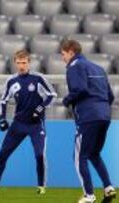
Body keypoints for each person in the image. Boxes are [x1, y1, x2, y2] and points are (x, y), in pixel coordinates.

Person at [0, 50, 57, 195]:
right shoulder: (11, 81)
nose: (22, 65)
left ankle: (41, 186)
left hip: (36, 124)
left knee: (40, 155)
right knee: (2, 154)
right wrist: (1, 118)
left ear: (29, 62)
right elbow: (3, 100)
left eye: (24, 62)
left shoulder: (38, 78)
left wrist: (40, 108)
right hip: (18, 124)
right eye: (19, 62)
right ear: (15, 63)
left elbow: (52, 95)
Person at [60, 40, 116, 203]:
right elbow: (110, 96)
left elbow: (81, 89)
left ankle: (89, 195)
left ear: (71, 52)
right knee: (94, 154)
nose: (63, 58)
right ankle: (108, 188)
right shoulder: (98, 68)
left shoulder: (74, 66)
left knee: (79, 157)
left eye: (63, 54)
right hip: (105, 116)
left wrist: (67, 100)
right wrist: (101, 109)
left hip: (88, 117)